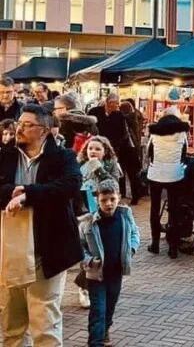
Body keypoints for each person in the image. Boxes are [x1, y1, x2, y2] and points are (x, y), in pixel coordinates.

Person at [0, 104, 83, 346]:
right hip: (10, 252)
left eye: (28, 125)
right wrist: (10, 194)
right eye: (19, 123)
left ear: (44, 130)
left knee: (44, 322)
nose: (20, 129)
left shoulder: (63, 157)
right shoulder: (5, 154)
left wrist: (29, 194)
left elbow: (70, 185)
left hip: (47, 251)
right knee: (11, 324)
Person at [79, 178, 140, 347]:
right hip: (96, 275)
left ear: (118, 197)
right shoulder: (88, 222)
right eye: (104, 200)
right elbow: (78, 246)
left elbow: (135, 233)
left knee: (110, 307)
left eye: (112, 199)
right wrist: (89, 260)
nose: (108, 204)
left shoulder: (125, 215)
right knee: (98, 310)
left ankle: (104, 331)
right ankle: (95, 342)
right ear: (97, 199)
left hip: (116, 272)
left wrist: (132, 248)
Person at [75, 136, 124, 308]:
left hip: (104, 215)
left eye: (97, 149)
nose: (93, 152)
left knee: (100, 250)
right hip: (85, 213)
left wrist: (100, 171)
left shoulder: (111, 166)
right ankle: (85, 287)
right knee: (88, 249)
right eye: (90, 148)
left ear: (105, 151)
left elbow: (115, 188)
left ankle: (88, 284)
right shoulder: (80, 166)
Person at [146, 107, 189, 259]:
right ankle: (173, 247)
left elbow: (149, 152)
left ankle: (155, 243)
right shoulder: (182, 133)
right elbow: (184, 153)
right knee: (175, 210)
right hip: (175, 175)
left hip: (156, 174)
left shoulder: (154, 132)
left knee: (154, 209)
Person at [89, 93, 143, 205]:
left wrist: (113, 149)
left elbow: (121, 134)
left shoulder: (119, 115)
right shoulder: (95, 112)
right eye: (116, 104)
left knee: (124, 172)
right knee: (108, 173)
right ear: (109, 103)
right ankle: (106, 197)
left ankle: (130, 196)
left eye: (118, 104)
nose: (118, 106)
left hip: (122, 149)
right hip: (102, 147)